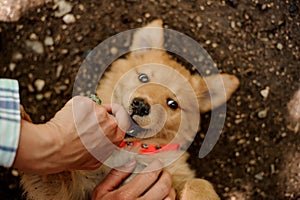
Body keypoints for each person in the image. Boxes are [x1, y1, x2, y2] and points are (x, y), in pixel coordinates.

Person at [0, 78, 175, 199]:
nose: (146, 100)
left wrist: (48, 142)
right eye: (143, 78)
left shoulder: (172, 159)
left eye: (173, 104)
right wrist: (52, 143)